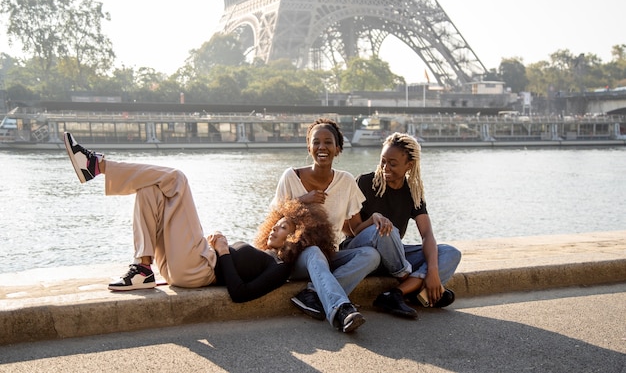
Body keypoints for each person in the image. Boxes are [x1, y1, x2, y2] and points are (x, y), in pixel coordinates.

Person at [63, 131, 335, 303]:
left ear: (298, 236)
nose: (275, 228)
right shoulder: (263, 249)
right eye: (276, 223)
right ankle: (143, 268)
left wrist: (224, 252)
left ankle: (97, 165)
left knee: (176, 179)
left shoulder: (280, 268)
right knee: (150, 190)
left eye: (284, 226)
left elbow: (240, 294)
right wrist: (216, 245)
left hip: (198, 271)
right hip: (188, 264)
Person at [271, 118, 381, 333]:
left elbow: (355, 229)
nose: (322, 147)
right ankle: (341, 310)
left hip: (328, 256)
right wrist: (304, 200)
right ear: (309, 147)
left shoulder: (346, 181)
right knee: (313, 252)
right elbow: (274, 222)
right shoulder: (291, 177)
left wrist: (375, 217)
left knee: (371, 255)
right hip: (295, 257)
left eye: (328, 142)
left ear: (338, 149)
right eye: (316, 142)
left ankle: (311, 293)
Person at [352, 132, 461, 315]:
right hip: (365, 252)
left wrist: (433, 271)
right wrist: (374, 220)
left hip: (395, 255)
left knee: (450, 253)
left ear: (409, 166)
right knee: (388, 229)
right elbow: (354, 231)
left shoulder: (413, 191)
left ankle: (395, 294)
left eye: (393, 164)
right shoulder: (364, 182)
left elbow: (427, 235)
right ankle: (416, 288)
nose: (385, 167)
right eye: (383, 161)